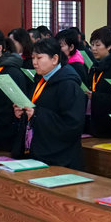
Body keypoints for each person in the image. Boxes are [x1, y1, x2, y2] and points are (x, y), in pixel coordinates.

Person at [13, 37, 86, 168]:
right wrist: (24, 112)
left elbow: (72, 125)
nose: (34, 63)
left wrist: (36, 114)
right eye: (33, 58)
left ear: (54, 59)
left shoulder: (68, 85)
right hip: (38, 152)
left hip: (61, 158)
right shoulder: (40, 80)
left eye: (39, 58)